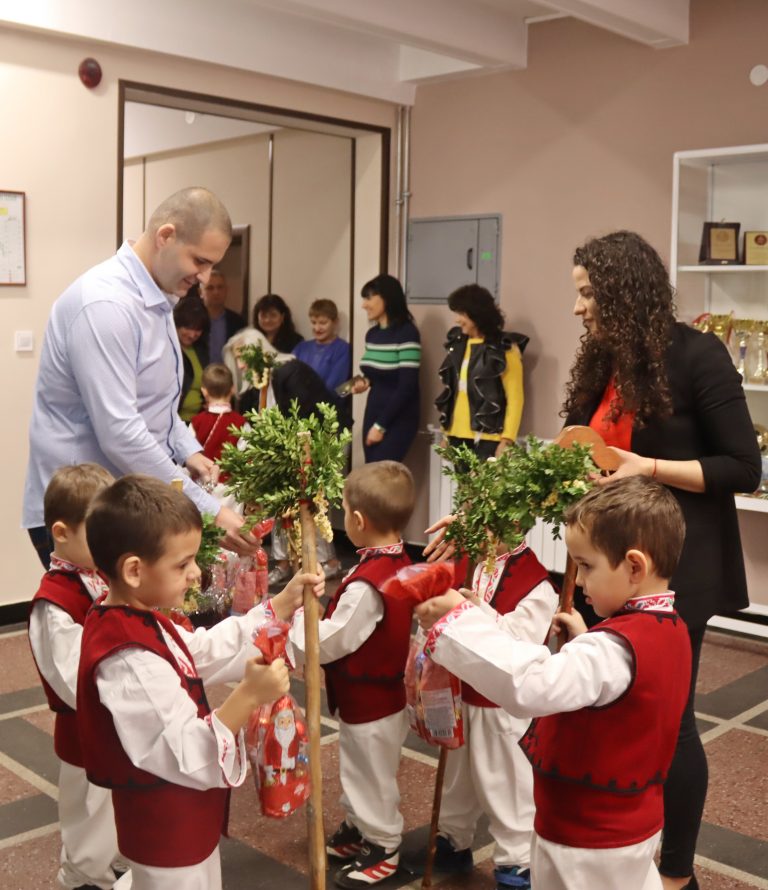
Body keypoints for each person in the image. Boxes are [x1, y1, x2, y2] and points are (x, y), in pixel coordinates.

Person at [564, 230, 761, 890]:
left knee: (669, 723)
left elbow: (744, 466)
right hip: (607, 567)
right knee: (617, 712)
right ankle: (622, 851)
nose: (578, 308)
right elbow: (585, 448)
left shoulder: (697, 354)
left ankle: (677, 876)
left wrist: (640, 467)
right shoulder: (602, 360)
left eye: (587, 293)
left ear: (624, 290)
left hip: (680, 568)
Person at [416, 477, 693, 890]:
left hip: (585, 839)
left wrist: (457, 623)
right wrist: (585, 639)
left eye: (586, 566)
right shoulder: (669, 628)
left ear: (635, 566)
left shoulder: (612, 648)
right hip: (627, 828)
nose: (578, 581)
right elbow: (627, 692)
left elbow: (532, 686)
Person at [77, 474, 325, 890]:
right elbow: (185, 751)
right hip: (164, 825)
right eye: (182, 563)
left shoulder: (138, 614)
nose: (196, 574)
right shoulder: (128, 657)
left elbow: (200, 651)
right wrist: (247, 697)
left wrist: (279, 605)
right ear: (134, 570)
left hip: (183, 815)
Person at [23, 186, 256, 567]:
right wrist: (207, 510)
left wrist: (188, 449)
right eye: (200, 260)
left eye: (213, 265)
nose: (205, 277)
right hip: (82, 511)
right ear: (166, 236)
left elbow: (157, 404)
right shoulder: (107, 304)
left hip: (120, 501)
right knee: (96, 627)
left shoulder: (160, 297)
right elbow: (121, 431)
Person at [287, 461, 415, 888]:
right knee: (361, 768)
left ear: (357, 521)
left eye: (342, 510)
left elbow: (332, 640)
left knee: (370, 773)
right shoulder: (395, 560)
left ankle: (383, 843)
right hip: (374, 697)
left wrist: (294, 634)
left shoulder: (367, 584)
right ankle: (360, 826)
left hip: (372, 702)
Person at [427, 540, 558, 890]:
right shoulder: (468, 556)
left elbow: (520, 645)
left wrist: (472, 611)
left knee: (506, 784)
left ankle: (518, 860)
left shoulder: (537, 585)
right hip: (461, 691)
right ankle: (454, 837)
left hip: (501, 707)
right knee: (459, 776)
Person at [28, 463, 124, 890]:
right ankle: (83, 878)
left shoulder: (101, 576)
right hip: (85, 731)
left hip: (119, 722)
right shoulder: (54, 602)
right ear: (62, 533)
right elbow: (72, 680)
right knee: (89, 815)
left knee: (117, 808)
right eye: (98, 532)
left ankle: (110, 867)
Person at [436, 284, 528, 460]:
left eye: (461, 314)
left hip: (489, 439)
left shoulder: (505, 349)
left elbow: (515, 397)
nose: (457, 320)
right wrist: (447, 434)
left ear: (476, 314)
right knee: (462, 487)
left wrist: (507, 440)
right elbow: (454, 394)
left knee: (484, 488)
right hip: (457, 436)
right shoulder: (458, 345)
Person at [351, 275, 421, 462]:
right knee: (371, 473)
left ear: (386, 298)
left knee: (384, 476)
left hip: (398, 415)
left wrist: (381, 426)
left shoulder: (407, 333)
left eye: (368, 298)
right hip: (374, 409)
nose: (364, 305)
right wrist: (364, 382)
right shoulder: (372, 335)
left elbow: (407, 386)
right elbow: (377, 375)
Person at [190, 363, 246, 472]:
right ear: (233, 389)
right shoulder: (241, 423)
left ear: (204, 391)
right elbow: (247, 457)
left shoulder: (196, 422)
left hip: (201, 483)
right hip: (231, 486)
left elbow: (189, 455)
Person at [292, 298, 352, 396]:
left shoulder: (342, 349)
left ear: (335, 322)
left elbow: (336, 388)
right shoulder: (301, 347)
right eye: (313, 322)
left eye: (323, 323)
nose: (317, 328)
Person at [174, 294, 210, 422]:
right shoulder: (167, 349)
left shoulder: (200, 350)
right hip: (174, 422)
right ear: (176, 324)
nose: (192, 334)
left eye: (197, 329)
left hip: (198, 422)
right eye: (188, 328)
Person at [201, 269, 246, 363]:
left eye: (220, 287)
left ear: (226, 290)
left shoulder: (238, 322)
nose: (216, 292)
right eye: (210, 288)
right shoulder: (193, 322)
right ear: (200, 292)